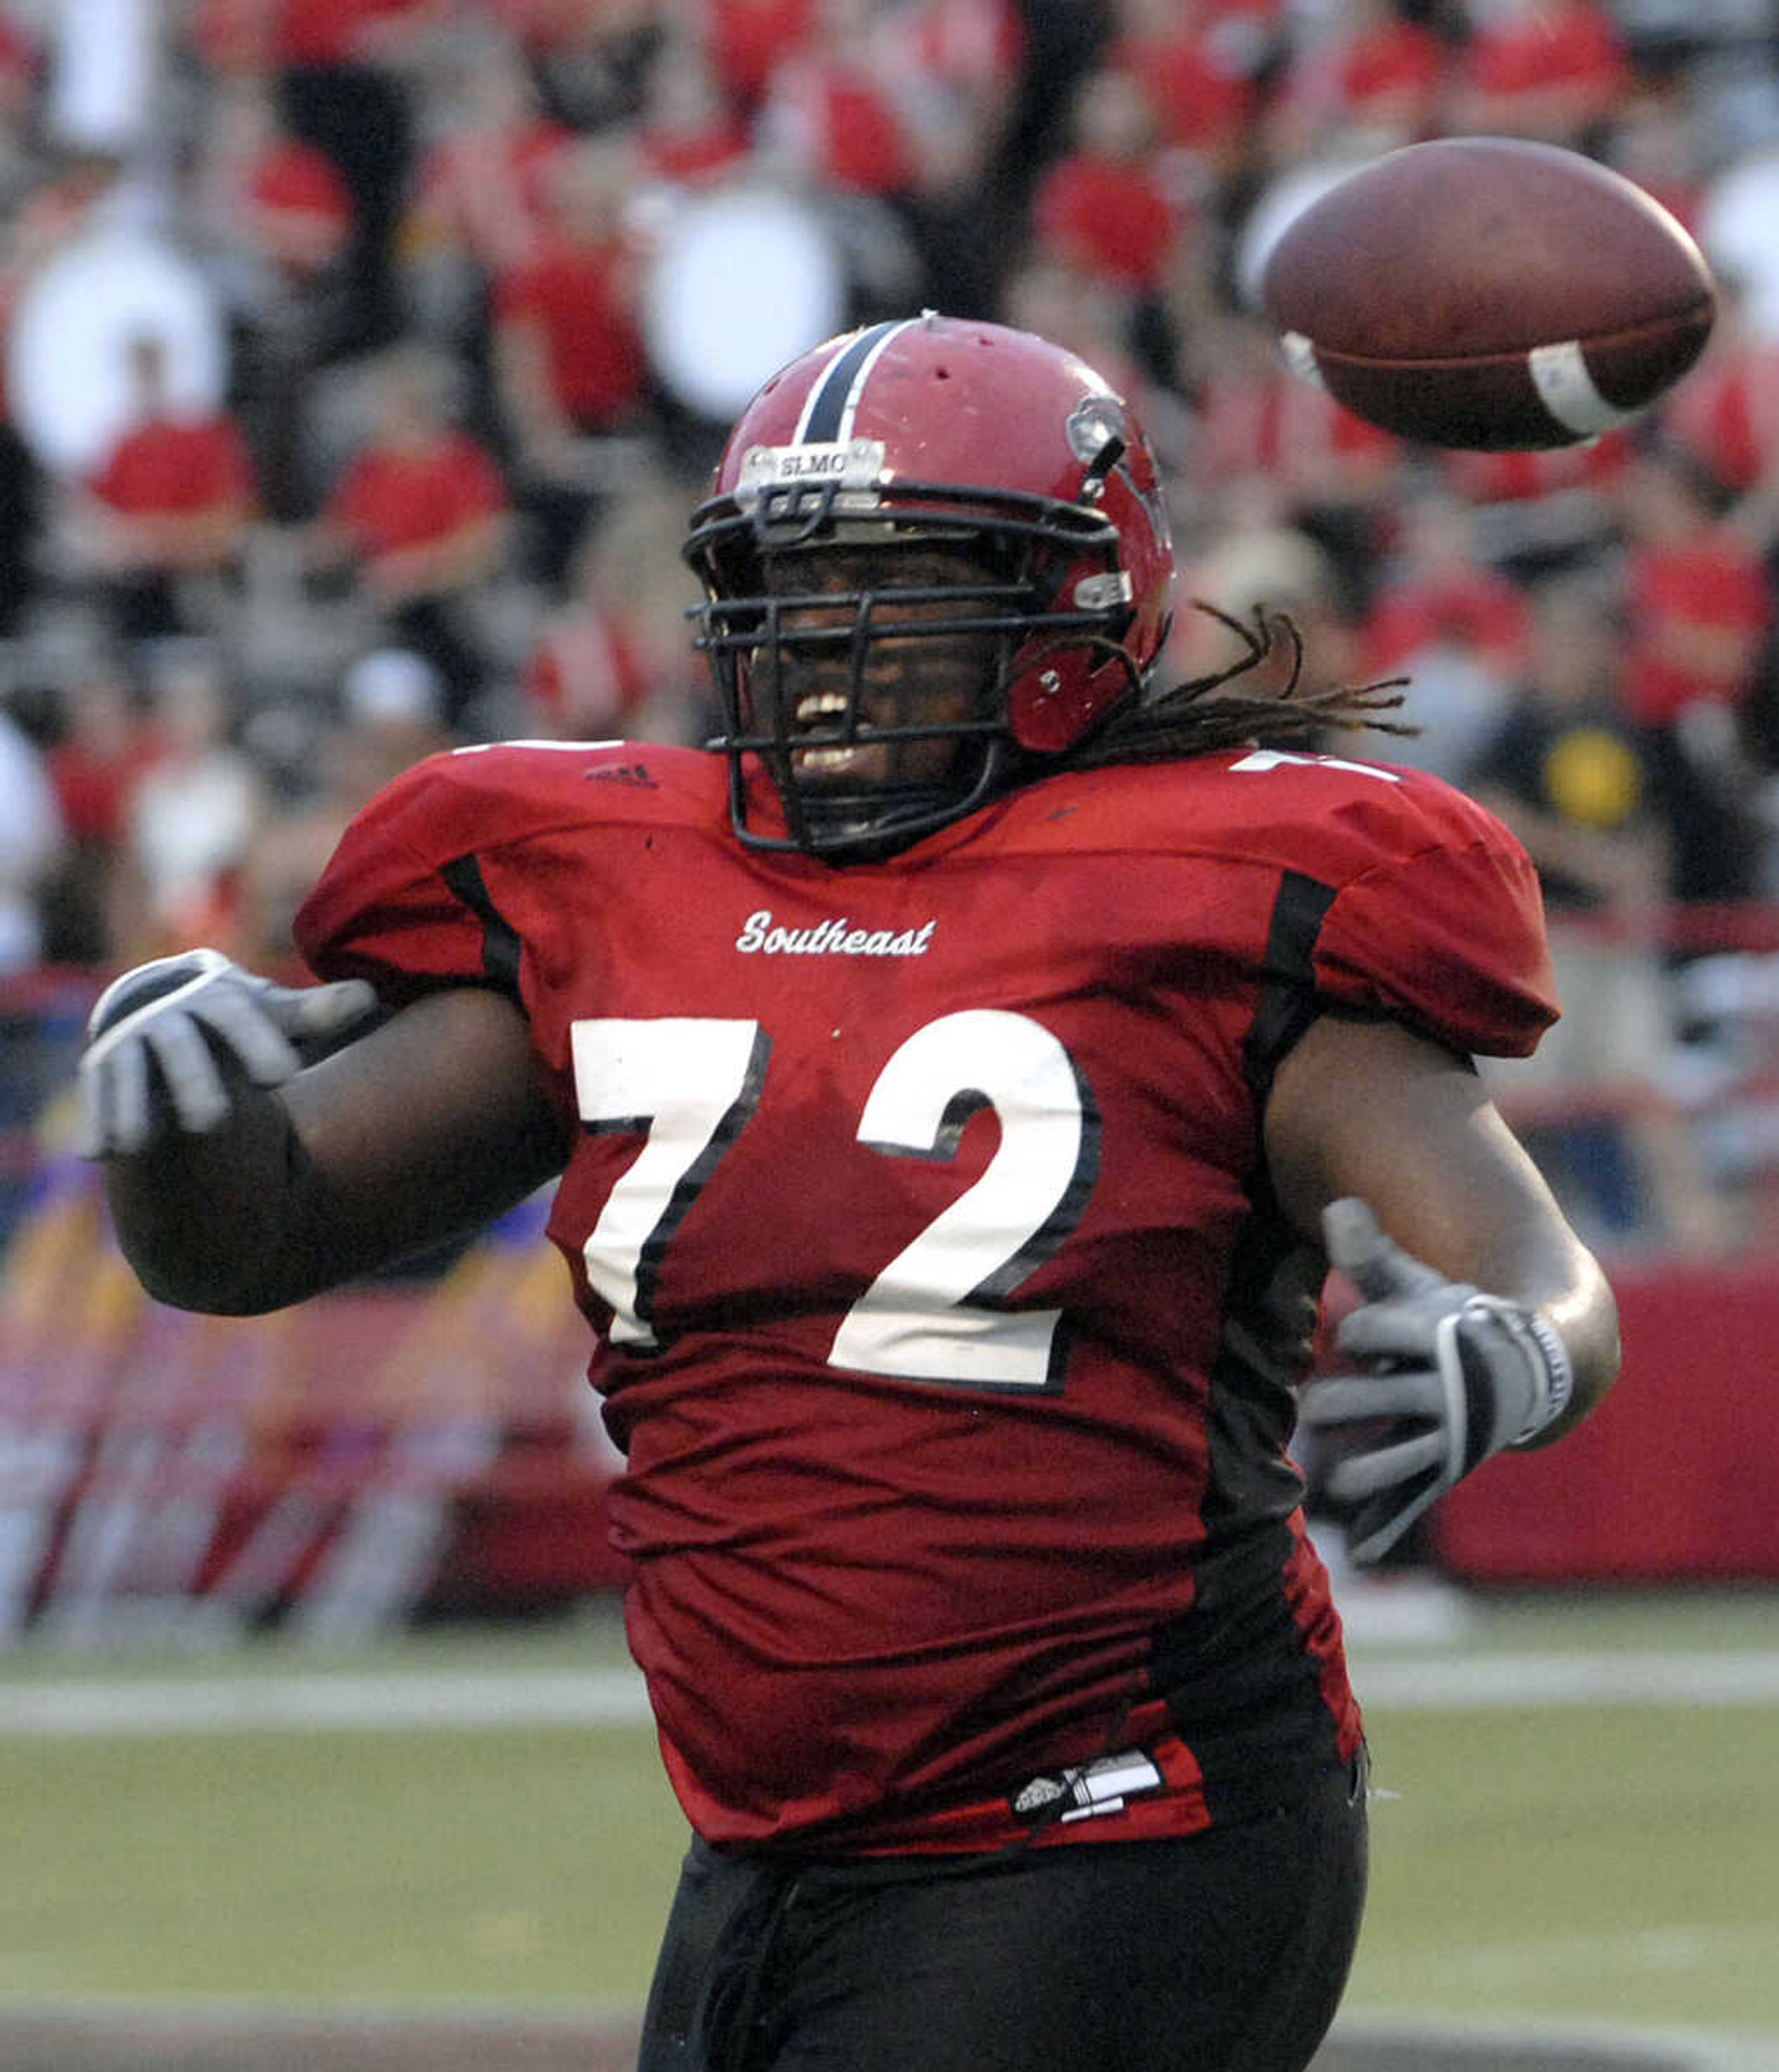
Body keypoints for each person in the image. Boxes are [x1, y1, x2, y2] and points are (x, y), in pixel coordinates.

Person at [76, 315, 1620, 2072]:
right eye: (792, 584)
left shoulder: (1212, 889)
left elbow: (1535, 1267)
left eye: (903, 577)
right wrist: (167, 1114)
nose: (832, 640)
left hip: (1122, 1804)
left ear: (1078, 602)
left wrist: (1518, 1351)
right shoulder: (625, 886)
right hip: (768, 1833)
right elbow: (254, 1234)